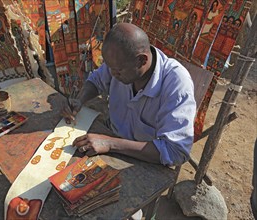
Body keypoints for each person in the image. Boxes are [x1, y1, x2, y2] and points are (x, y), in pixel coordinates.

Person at [62, 23, 196, 166]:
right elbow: (97, 80)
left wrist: (109, 143)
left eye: (118, 70)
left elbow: (175, 151)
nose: (112, 74)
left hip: (146, 159)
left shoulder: (177, 84)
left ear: (141, 61)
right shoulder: (121, 61)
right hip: (112, 137)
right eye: (110, 67)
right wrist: (80, 100)